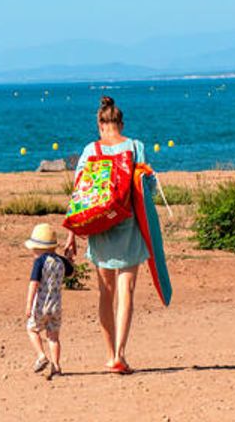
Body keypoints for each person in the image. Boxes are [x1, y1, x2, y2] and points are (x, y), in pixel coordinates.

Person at [64, 96, 153, 375]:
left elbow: (80, 194)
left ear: (99, 124)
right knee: (126, 291)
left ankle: (108, 352)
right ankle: (120, 355)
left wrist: (71, 235)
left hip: (100, 227)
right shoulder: (136, 147)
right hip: (128, 226)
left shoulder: (91, 150)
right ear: (121, 123)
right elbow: (145, 187)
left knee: (106, 293)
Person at [24, 222, 73, 379]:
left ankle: (41, 356)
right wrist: (69, 258)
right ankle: (56, 367)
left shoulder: (39, 262)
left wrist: (28, 304)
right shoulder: (60, 261)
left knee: (32, 329)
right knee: (53, 337)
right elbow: (71, 273)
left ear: (38, 248)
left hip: (41, 305)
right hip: (56, 306)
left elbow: (34, 284)